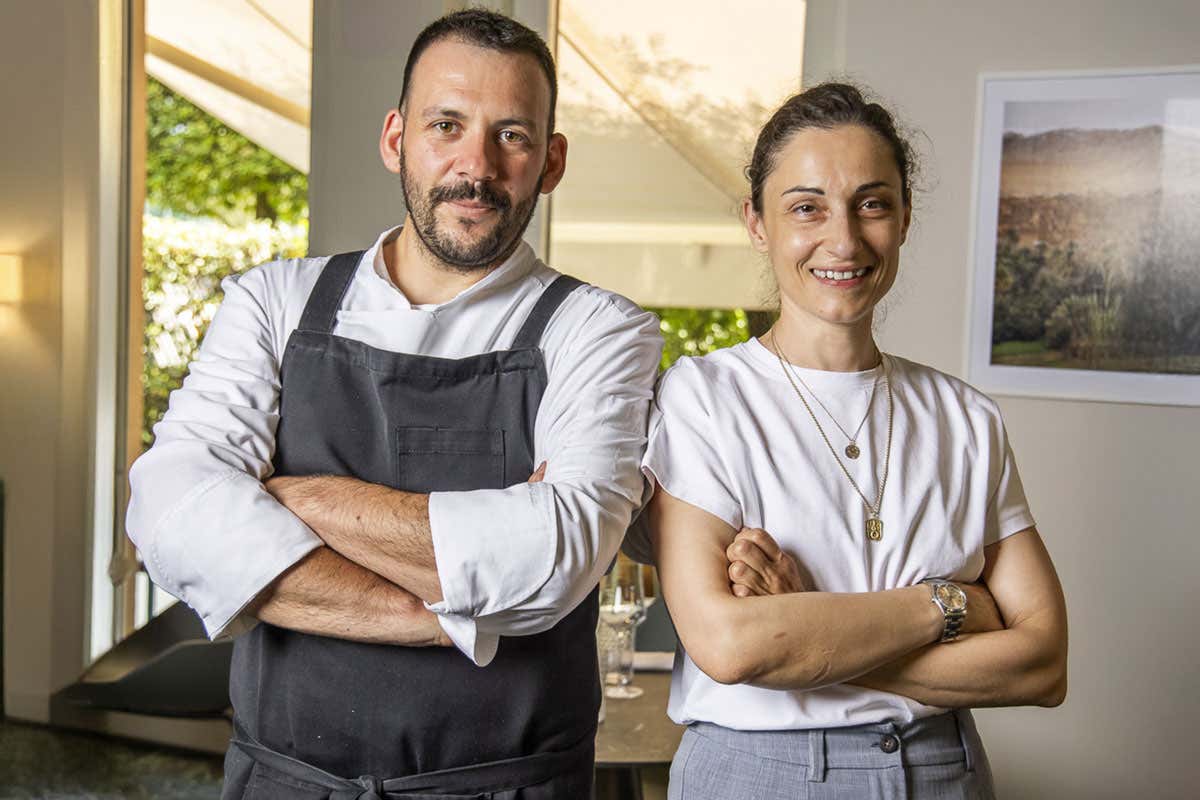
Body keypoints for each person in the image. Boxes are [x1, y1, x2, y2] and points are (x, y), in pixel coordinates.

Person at [126, 9, 661, 798]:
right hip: (285, 782)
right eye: (446, 124)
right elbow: (169, 509)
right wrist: (454, 615)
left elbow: (557, 555)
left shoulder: (600, 329)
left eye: (510, 135)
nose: (474, 165)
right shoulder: (276, 300)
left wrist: (286, 498)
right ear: (395, 139)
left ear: (550, 163)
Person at [637, 83, 1068, 799]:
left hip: (944, 769)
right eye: (806, 207)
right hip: (759, 773)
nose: (843, 238)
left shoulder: (966, 419)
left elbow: (1043, 663)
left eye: (872, 203)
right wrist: (949, 606)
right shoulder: (703, 399)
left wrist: (808, 623)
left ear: (902, 219)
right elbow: (730, 645)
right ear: (756, 223)